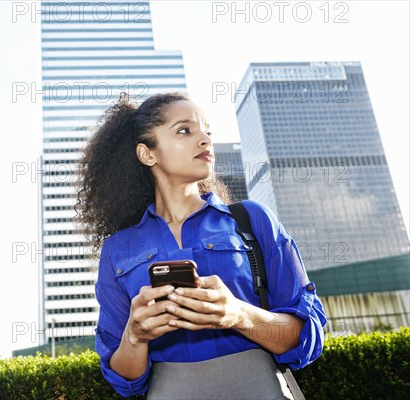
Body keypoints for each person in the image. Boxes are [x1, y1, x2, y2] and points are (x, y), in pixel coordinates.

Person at [75, 92, 327, 399]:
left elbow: (307, 337)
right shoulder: (118, 248)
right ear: (147, 154)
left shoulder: (252, 219)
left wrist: (238, 315)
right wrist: (135, 336)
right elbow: (123, 379)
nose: (205, 140)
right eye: (185, 130)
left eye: (207, 131)